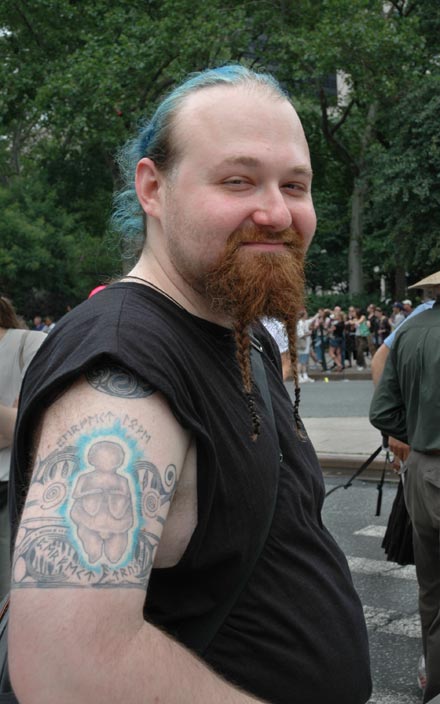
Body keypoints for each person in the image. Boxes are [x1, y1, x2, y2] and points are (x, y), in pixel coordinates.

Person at [8, 66, 371, 704]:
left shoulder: (239, 328)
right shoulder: (123, 365)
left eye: (295, 185)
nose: (277, 211)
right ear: (153, 187)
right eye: (238, 180)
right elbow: (66, 670)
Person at [370, 270, 440, 703]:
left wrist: (415, 436)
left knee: (431, 587)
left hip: (422, 470)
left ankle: (434, 679)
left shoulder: (412, 328)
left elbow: (382, 411)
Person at [0, 296, 46, 599]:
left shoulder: (29, 344)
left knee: (11, 594)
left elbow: (35, 427)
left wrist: (17, 423)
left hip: (12, 490)